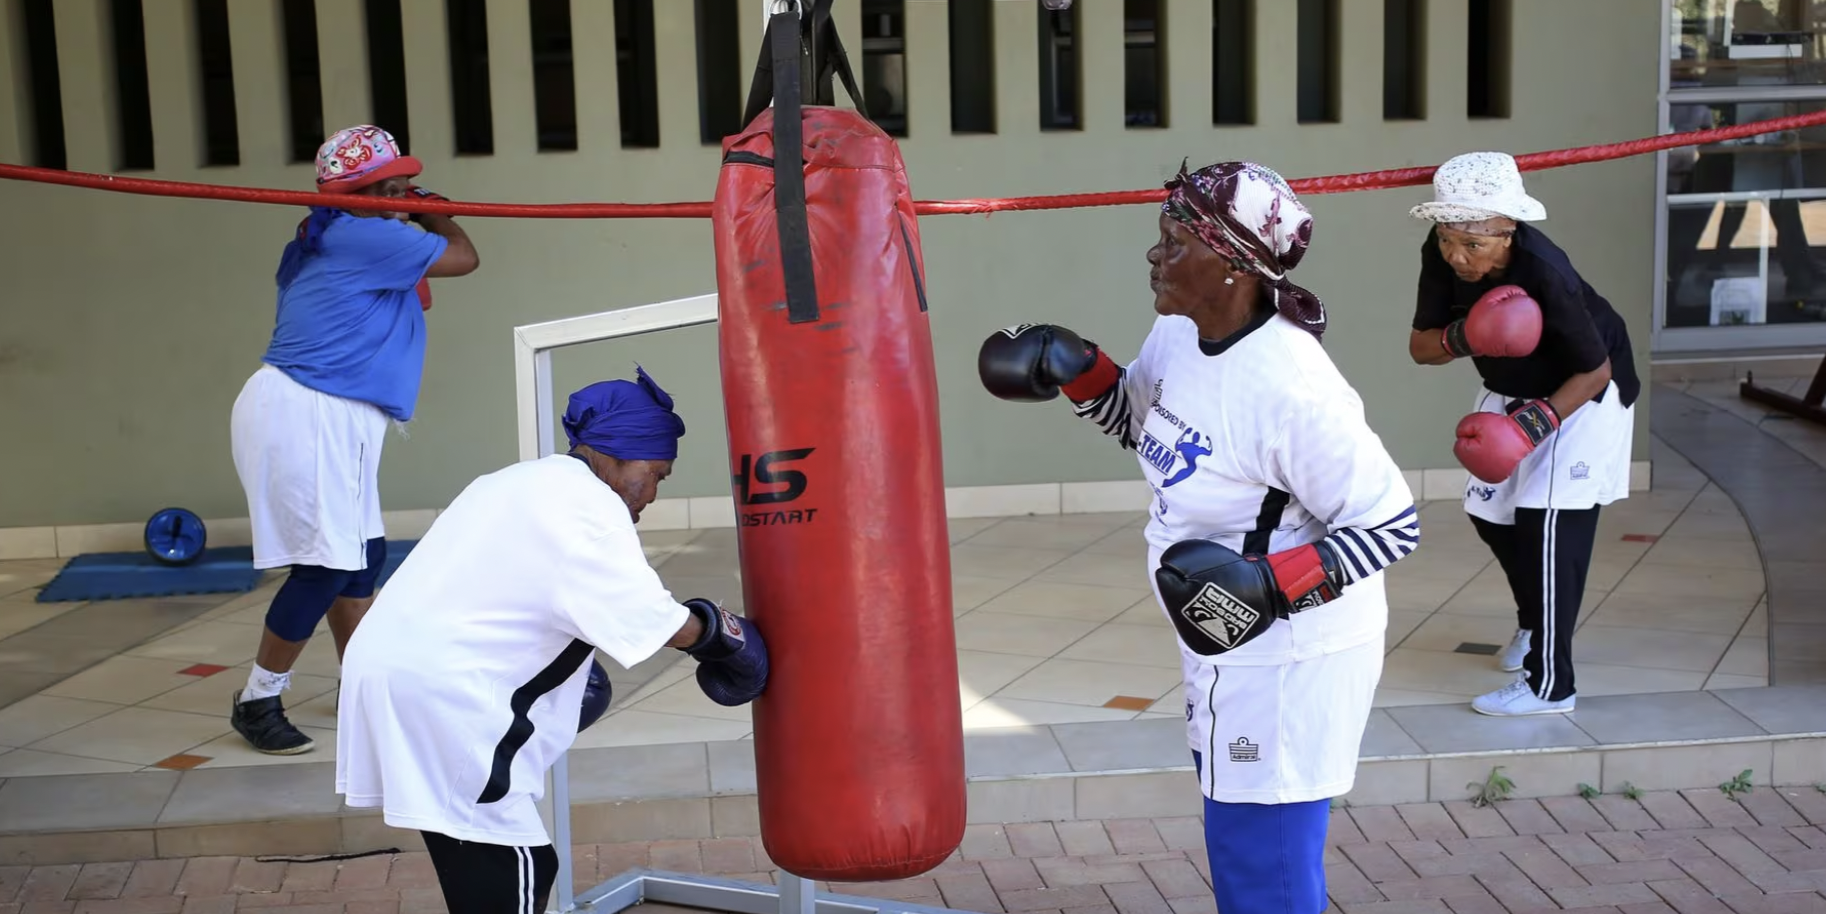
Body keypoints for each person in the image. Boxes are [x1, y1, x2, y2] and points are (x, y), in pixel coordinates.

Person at [978, 160, 1420, 914]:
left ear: (1233, 267)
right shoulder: (1180, 332)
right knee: (1237, 839)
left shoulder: (1293, 390)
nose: (1155, 255)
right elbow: (1146, 427)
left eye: (1174, 242)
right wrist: (1081, 370)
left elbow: (1392, 524)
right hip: (1218, 634)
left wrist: (1271, 586)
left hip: (1288, 656)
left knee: (1263, 866)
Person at [335, 367, 769, 914]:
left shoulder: (511, 480)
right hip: (447, 698)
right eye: (656, 473)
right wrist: (721, 636)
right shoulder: (591, 507)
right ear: (616, 456)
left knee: (472, 848)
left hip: (390, 671)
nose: (655, 492)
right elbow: (648, 618)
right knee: (519, 867)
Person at [228, 124, 481, 754]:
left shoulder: (339, 232)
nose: (399, 191)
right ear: (354, 191)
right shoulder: (362, 231)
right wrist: (441, 217)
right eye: (384, 184)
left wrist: (416, 212)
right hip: (309, 410)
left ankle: (360, 687)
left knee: (361, 556)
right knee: (323, 566)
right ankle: (259, 699)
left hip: (334, 413)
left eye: (403, 182)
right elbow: (464, 259)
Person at [1406, 151, 1640, 717]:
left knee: (1549, 528)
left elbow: (1596, 369)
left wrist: (1530, 428)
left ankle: (1551, 686)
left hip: (1580, 396)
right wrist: (1469, 334)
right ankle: (1536, 624)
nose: (1457, 256)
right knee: (1490, 515)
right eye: (1447, 239)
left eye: (1474, 244)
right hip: (1509, 386)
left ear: (1507, 231)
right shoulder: (1442, 255)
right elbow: (1421, 348)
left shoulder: (1545, 272)